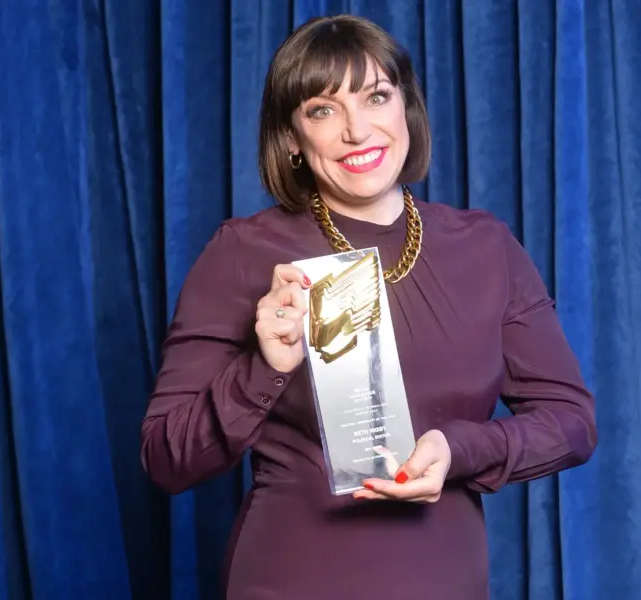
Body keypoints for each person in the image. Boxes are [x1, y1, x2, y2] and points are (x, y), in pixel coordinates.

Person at [140, 14, 597, 600]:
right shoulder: (245, 254)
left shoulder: (484, 247)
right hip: (290, 581)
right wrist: (264, 368)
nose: (358, 130)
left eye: (376, 96)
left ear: (406, 108)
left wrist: (461, 449)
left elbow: (572, 423)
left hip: (448, 582)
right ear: (292, 138)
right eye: (323, 110)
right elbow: (165, 459)